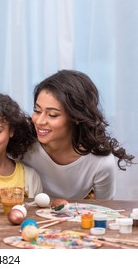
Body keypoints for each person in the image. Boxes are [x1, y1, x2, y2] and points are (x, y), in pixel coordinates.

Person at [20, 69, 134, 199]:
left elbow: (106, 211)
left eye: (52, 115)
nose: (39, 121)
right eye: (37, 110)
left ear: (76, 117)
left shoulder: (100, 162)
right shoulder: (23, 143)